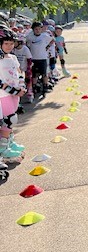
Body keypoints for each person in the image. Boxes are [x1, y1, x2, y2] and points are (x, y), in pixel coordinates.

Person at [0, 28, 27, 164]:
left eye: (11, 43)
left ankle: (9, 143)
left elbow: (19, 73)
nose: (9, 46)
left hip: (16, 94)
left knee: (11, 119)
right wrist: (15, 91)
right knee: (9, 120)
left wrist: (22, 86)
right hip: (3, 95)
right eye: (6, 43)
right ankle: (3, 149)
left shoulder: (13, 57)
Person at [25, 21, 54, 94]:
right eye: (36, 29)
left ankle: (45, 86)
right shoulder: (30, 37)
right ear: (33, 30)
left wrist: (47, 47)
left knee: (44, 74)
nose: (37, 30)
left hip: (43, 58)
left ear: (41, 29)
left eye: (39, 29)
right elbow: (26, 43)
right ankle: (34, 87)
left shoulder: (45, 36)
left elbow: (52, 40)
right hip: (34, 58)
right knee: (34, 75)